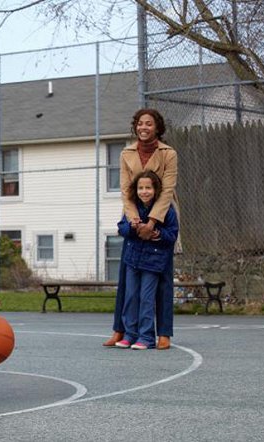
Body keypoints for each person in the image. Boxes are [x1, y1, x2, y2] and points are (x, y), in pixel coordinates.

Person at [103, 108, 179, 350]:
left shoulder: (169, 154)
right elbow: (126, 192)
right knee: (128, 277)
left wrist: (153, 223)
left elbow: (167, 190)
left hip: (162, 214)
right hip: (134, 216)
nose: (144, 127)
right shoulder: (126, 153)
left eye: (149, 123)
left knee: (161, 277)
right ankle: (121, 330)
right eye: (140, 123)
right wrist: (135, 222)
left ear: (157, 127)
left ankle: (163, 333)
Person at [114, 171, 178, 350]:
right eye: (140, 188)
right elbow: (122, 228)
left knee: (146, 298)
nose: (144, 191)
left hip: (153, 262)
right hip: (133, 259)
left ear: (156, 189)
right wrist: (131, 227)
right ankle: (129, 334)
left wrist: (157, 233)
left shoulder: (166, 211)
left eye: (148, 188)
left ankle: (146, 337)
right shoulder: (132, 209)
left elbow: (172, 235)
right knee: (131, 296)